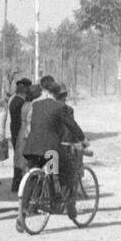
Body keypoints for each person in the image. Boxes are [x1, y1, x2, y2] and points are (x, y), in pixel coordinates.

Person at [18, 75, 85, 227]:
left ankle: (23, 211)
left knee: (35, 174)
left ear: (46, 92)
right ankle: (69, 207)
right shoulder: (60, 107)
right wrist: (83, 139)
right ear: (58, 95)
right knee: (68, 171)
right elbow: (71, 125)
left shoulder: (36, 106)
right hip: (50, 148)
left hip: (31, 147)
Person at [7, 78, 32, 193]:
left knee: (18, 159)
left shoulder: (14, 100)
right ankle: (19, 184)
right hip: (19, 133)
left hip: (16, 132)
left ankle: (16, 184)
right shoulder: (20, 103)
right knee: (21, 160)